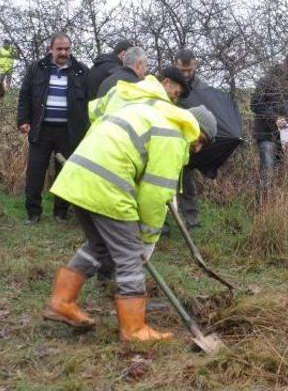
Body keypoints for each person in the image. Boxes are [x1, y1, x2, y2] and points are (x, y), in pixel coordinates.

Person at [42, 73, 217, 343]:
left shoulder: (154, 114)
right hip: (106, 183)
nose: (197, 149)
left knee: (99, 245)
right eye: (202, 142)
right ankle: (134, 329)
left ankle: (62, 302)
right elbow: (154, 194)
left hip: (78, 176)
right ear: (197, 132)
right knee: (130, 255)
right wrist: (146, 238)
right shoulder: (172, 134)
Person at [17, 33, 89, 224]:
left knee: (65, 172)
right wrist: (23, 120)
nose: (63, 52)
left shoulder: (81, 71)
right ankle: (33, 213)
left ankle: (61, 213)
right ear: (50, 49)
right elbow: (24, 95)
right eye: (59, 49)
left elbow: (89, 102)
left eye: (67, 49)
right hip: (41, 130)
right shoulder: (37, 68)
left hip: (69, 132)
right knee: (35, 173)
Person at [250, 53, 288, 192]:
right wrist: (275, 118)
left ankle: (277, 207)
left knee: (283, 172)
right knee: (268, 171)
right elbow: (255, 104)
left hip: (287, 137)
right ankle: (263, 207)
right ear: (285, 64)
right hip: (266, 133)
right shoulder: (267, 80)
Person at [174, 49, 210, 228]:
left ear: (195, 65)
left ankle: (192, 220)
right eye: (183, 70)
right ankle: (162, 225)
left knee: (187, 181)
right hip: (170, 139)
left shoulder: (202, 87)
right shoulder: (170, 84)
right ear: (176, 66)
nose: (186, 74)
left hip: (191, 141)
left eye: (189, 70)